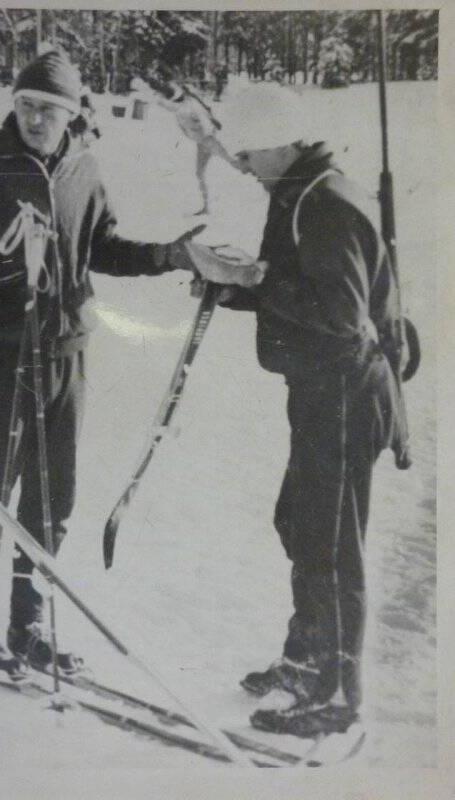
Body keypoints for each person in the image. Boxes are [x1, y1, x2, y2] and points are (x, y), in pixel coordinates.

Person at [0, 50, 261, 680]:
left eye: (49, 109)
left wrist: (171, 256)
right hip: (0, 356)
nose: (35, 119)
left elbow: (102, 246)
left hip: (66, 355)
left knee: (53, 502)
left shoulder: (83, 167)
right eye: (26, 104)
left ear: (73, 113)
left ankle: (26, 629)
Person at [222, 138, 411, 736]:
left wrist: (258, 280)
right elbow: (317, 292)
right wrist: (237, 288)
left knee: (329, 547)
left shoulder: (322, 202)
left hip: (345, 397)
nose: (243, 162)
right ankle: (307, 659)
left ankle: (334, 693)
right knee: (301, 524)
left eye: (251, 151)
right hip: (325, 392)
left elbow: (340, 314)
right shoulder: (306, 189)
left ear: (283, 144)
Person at [136, 68, 238, 216]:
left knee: (233, 163)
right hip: (203, 143)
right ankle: (206, 207)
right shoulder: (188, 102)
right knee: (201, 173)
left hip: (210, 141)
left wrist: (210, 129)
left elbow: (167, 104)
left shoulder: (185, 107)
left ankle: (258, 176)